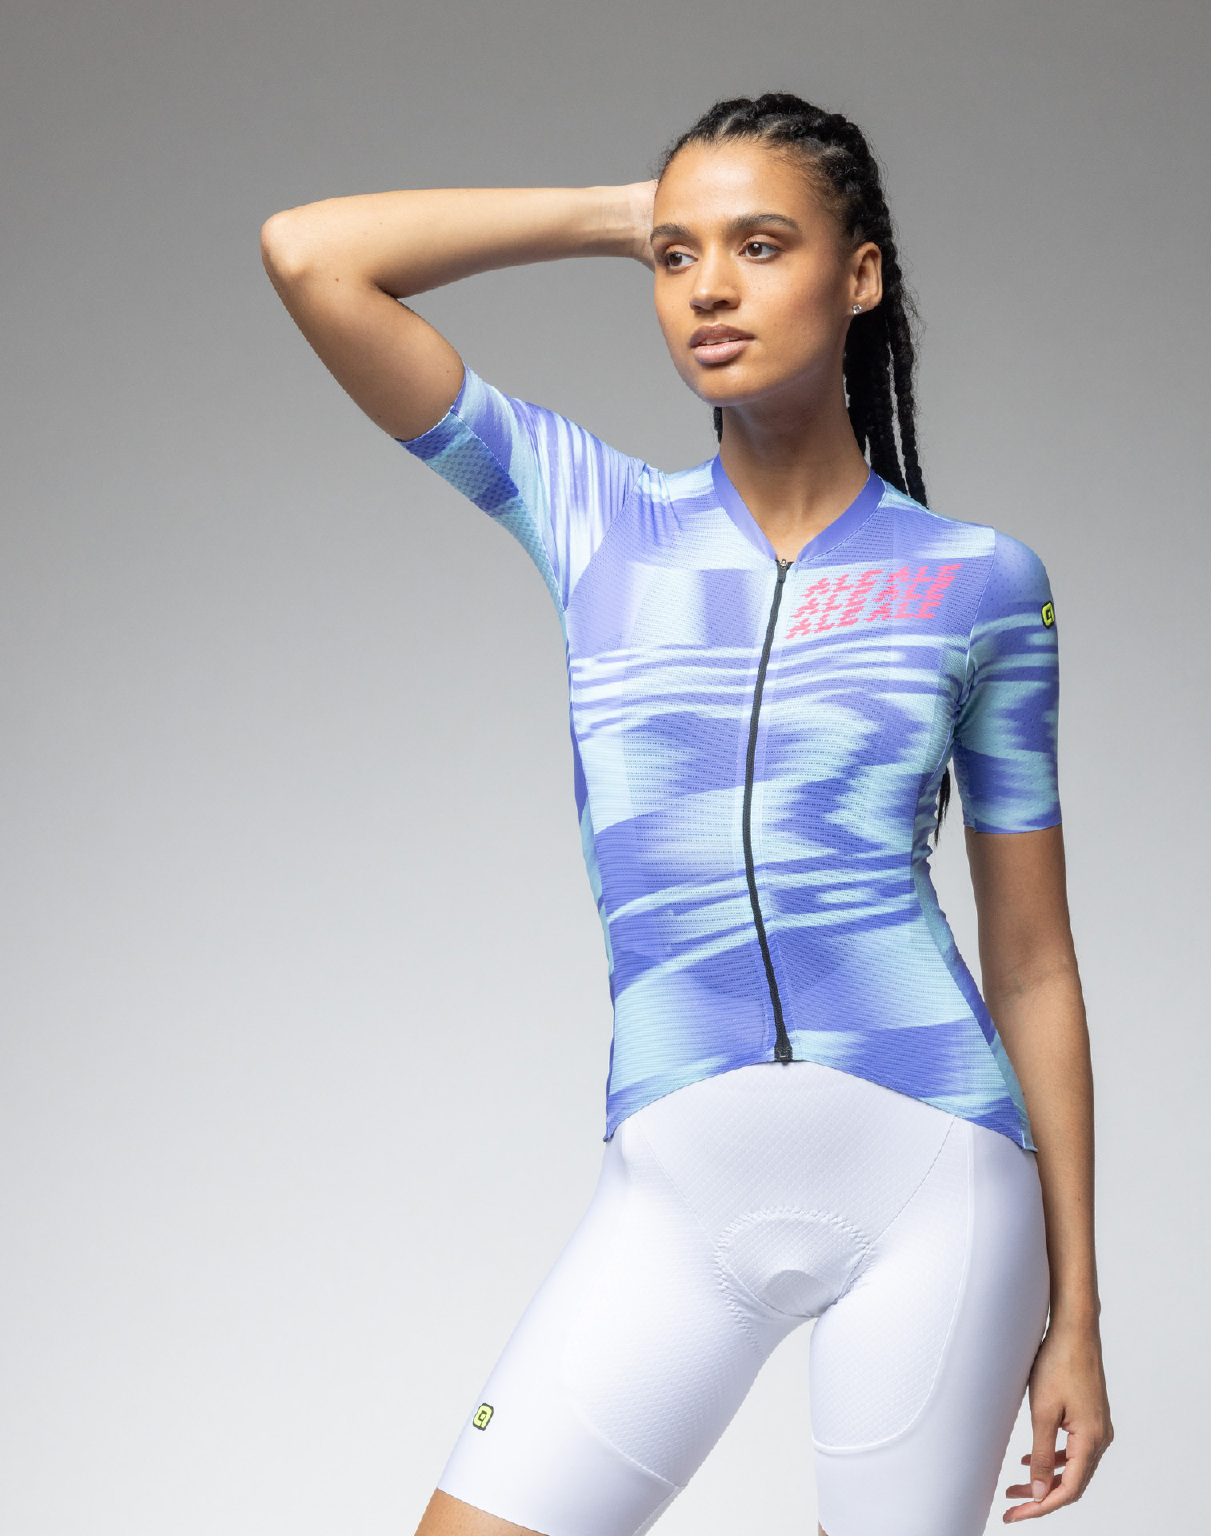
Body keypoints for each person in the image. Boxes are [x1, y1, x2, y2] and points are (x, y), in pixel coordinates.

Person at [261, 93, 1111, 1536]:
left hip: (937, 1184)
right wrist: (620, 213)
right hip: (675, 1184)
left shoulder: (979, 583)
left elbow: (1031, 961)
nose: (710, 287)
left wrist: (1077, 1311)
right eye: (676, 257)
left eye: (761, 245)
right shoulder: (595, 518)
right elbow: (309, 255)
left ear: (860, 274)